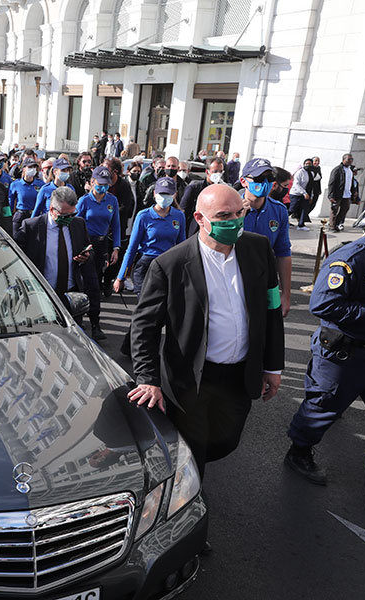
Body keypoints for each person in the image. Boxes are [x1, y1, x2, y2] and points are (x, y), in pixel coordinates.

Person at [128, 184, 284, 475]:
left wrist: (273, 367)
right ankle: (189, 503)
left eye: (240, 213)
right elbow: (144, 326)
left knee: (227, 441)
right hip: (192, 379)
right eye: (224, 216)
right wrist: (148, 379)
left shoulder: (259, 248)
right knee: (194, 452)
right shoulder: (170, 265)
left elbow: (272, 310)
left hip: (239, 375)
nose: (235, 221)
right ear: (200, 219)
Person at [285, 231, 365, 494]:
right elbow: (322, 304)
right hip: (346, 352)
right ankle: (299, 452)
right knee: (323, 406)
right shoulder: (351, 259)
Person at [114, 177, 186, 353]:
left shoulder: (179, 216)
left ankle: (129, 345)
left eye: (168, 194)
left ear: (174, 195)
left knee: (161, 310)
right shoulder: (144, 215)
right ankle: (143, 349)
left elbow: (182, 246)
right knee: (146, 309)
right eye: (161, 194)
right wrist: (121, 276)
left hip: (168, 266)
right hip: (146, 266)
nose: (165, 197)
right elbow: (131, 248)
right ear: (154, 194)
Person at [13, 186, 95, 311]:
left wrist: (86, 257)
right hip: (41, 294)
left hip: (71, 294)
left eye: (72, 214)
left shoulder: (79, 224)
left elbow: (89, 249)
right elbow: (16, 257)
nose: (69, 218)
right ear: (52, 210)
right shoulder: (31, 227)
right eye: (64, 215)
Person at [239, 158, 292, 317]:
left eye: (269, 179)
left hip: (264, 282)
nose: (265, 183)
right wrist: (237, 218)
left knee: (262, 334)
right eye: (259, 179)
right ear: (244, 181)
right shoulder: (229, 206)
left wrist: (286, 295)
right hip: (232, 280)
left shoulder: (279, 211)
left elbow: (283, 253)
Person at [75, 165, 121, 341]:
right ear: (92, 182)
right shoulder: (84, 201)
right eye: (100, 183)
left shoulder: (112, 201)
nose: (103, 187)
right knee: (88, 284)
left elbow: (116, 225)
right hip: (87, 244)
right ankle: (83, 321)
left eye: (106, 184)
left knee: (97, 284)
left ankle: (95, 323)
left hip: (102, 245)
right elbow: (76, 224)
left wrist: (115, 248)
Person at [180, 157, 225, 235]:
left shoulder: (223, 189)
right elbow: (183, 210)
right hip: (194, 229)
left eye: (220, 172)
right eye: (215, 171)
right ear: (207, 172)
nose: (218, 174)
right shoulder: (194, 187)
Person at [8, 158, 43, 233]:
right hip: (20, 215)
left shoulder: (40, 184)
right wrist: (8, 218)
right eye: (30, 167)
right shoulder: (15, 184)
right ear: (24, 169)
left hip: (35, 216)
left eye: (34, 167)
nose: (32, 169)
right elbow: (10, 203)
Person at [327, 153, 355, 231]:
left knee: (345, 209)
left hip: (347, 194)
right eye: (348, 159)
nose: (350, 161)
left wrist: (353, 192)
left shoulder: (350, 170)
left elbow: (351, 182)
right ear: (343, 160)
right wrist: (331, 196)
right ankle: (331, 226)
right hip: (338, 194)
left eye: (351, 159)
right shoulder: (337, 169)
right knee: (334, 210)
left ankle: (337, 224)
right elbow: (331, 183)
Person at [289, 158, 314, 230]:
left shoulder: (311, 173)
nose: (308, 165)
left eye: (309, 164)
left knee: (304, 209)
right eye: (306, 164)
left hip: (306, 195)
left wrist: (311, 196)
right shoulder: (300, 172)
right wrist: (304, 193)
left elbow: (311, 186)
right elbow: (296, 184)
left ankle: (301, 225)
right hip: (296, 194)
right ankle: (281, 220)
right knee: (292, 209)